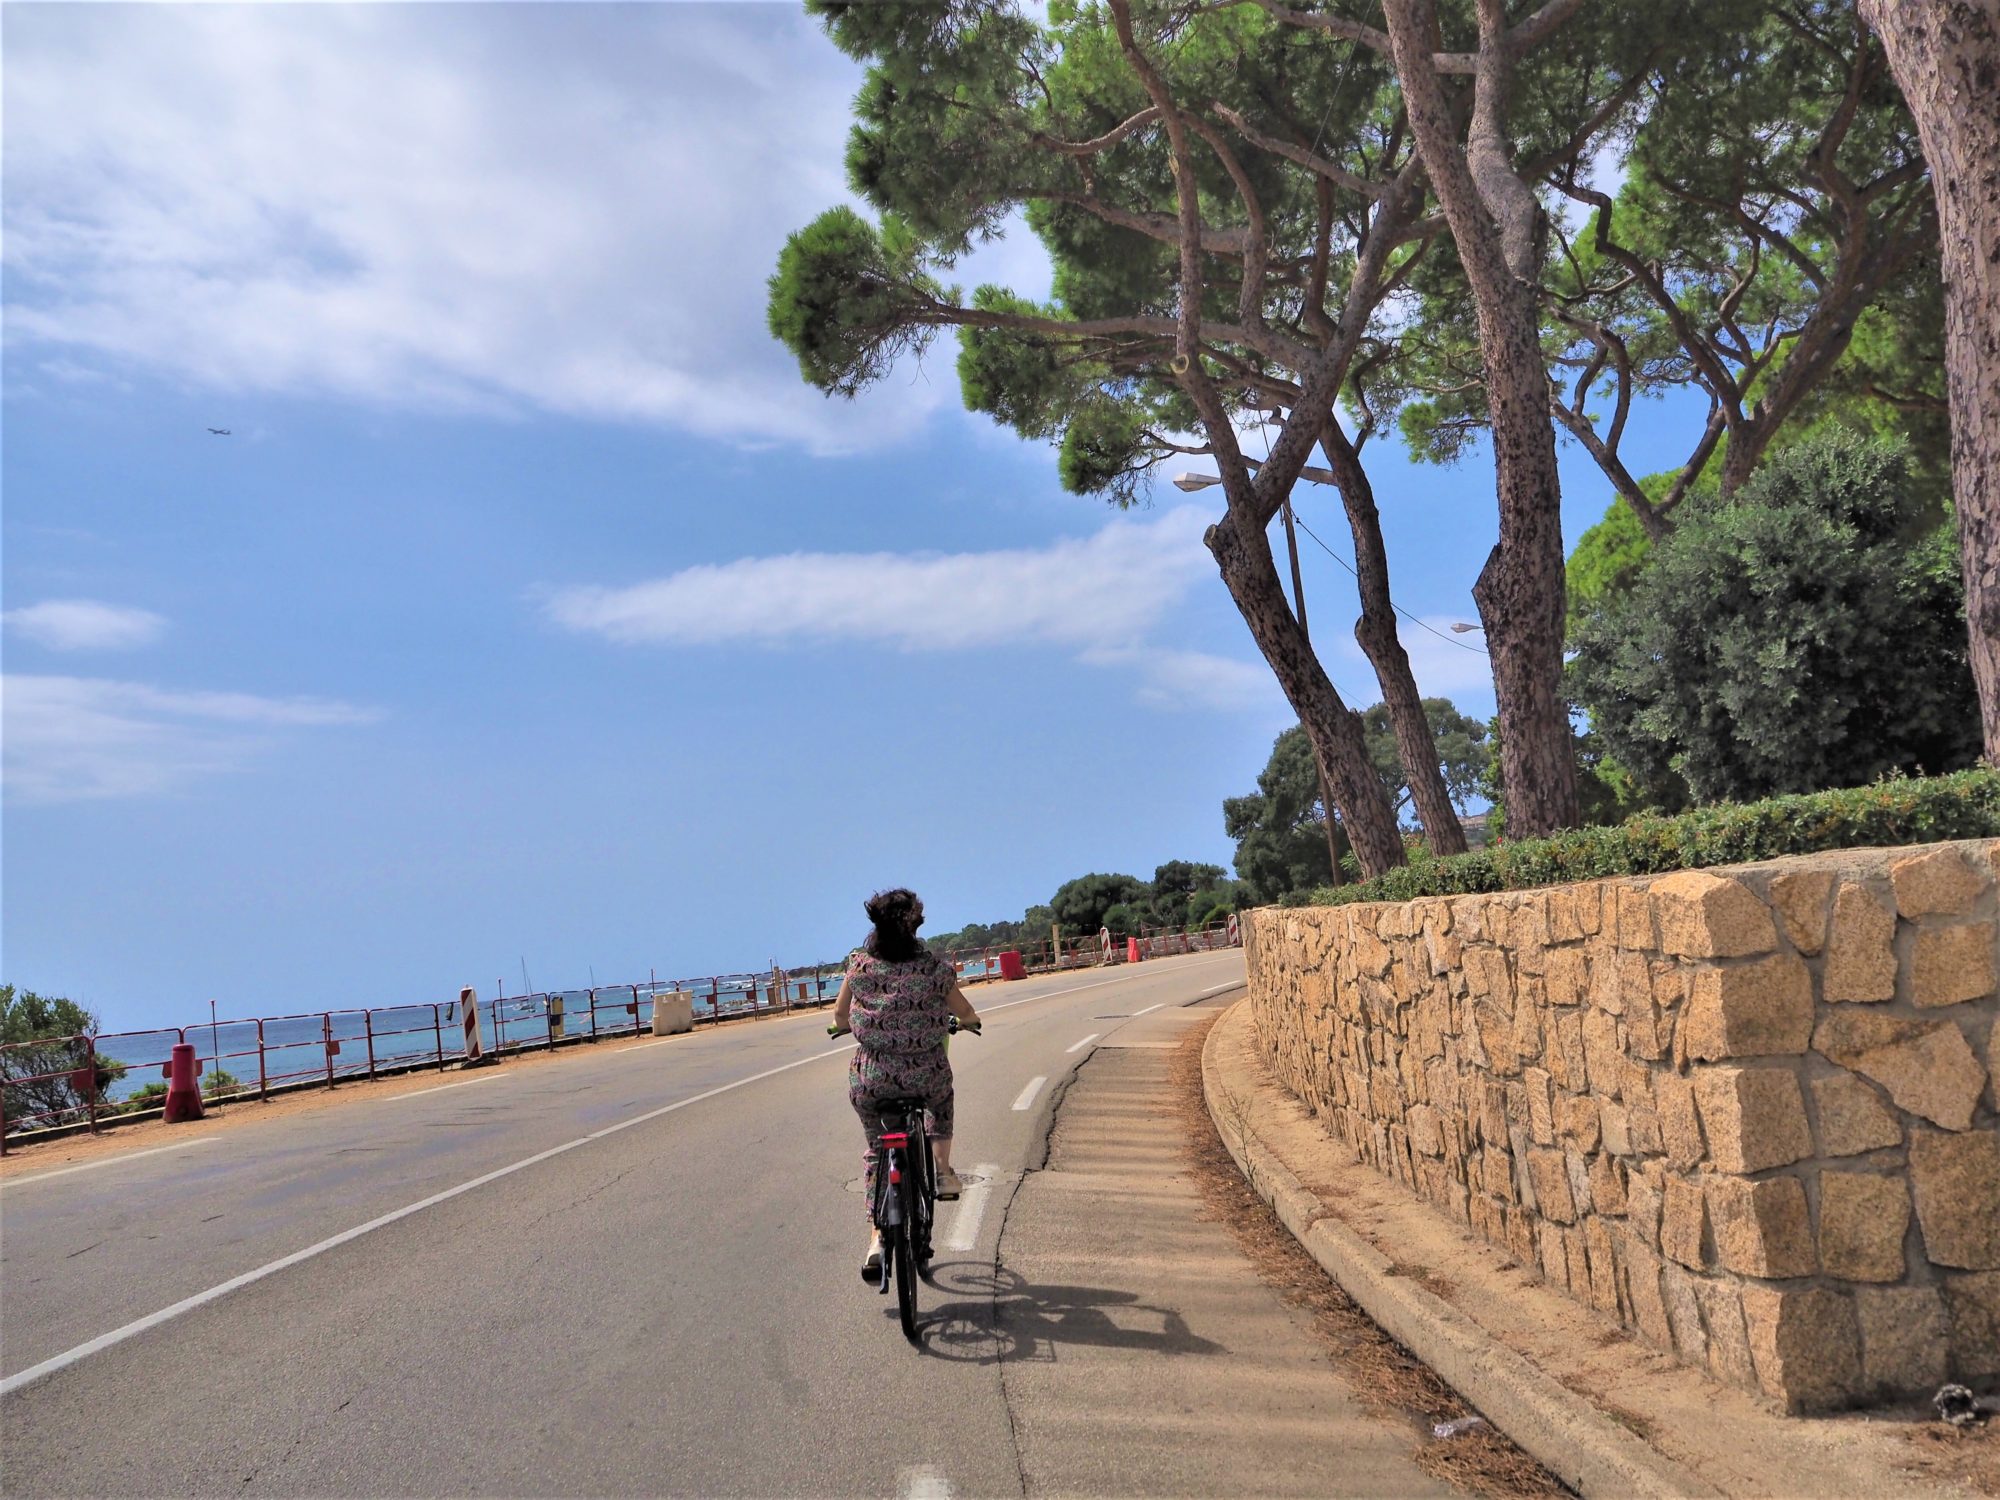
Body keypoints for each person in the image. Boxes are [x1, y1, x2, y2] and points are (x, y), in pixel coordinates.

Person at [829, 886, 981, 1284]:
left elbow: (841, 1014)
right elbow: (964, 1011)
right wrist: (970, 1022)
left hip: (872, 1080)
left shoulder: (859, 966)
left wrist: (844, 1025)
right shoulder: (932, 967)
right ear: (916, 925)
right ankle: (944, 1171)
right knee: (941, 1100)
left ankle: (877, 1239)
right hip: (925, 1073)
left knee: (877, 1151)